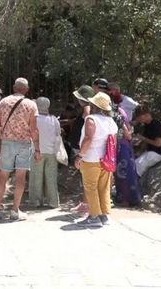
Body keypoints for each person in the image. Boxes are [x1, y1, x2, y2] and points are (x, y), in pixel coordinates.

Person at [0, 78, 39, 221]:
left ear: (14, 88)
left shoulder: (4, 102)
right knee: (20, 177)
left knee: (3, 176)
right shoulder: (31, 105)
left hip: (6, 142)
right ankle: (15, 210)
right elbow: (33, 128)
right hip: (24, 143)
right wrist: (37, 148)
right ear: (26, 89)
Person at [74, 92, 117, 228]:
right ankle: (103, 215)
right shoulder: (110, 121)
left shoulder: (91, 119)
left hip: (91, 158)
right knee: (103, 188)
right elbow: (113, 140)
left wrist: (80, 156)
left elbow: (88, 138)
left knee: (90, 187)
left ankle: (93, 216)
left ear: (94, 105)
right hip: (105, 159)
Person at [29, 97, 61, 209]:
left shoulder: (34, 119)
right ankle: (53, 201)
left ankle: (36, 201)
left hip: (36, 150)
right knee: (51, 177)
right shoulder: (54, 119)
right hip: (51, 151)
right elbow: (58, 134)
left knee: (36, 177)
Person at [70, 85, 95, 214]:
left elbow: (87, 116)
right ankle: (86, 203)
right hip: (80, 146)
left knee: (86, 177)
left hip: (82, 148)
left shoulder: (88, 109)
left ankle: (87, 204)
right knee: (85, 177)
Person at [133, 104, 161, 177]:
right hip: (152, 151)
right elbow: (146, 142)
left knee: (139, 165)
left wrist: (143, 138)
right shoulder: (147, 125)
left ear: (147, 115)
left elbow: (158, 144)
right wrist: (139, 151)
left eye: (139, 116)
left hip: (159, 152)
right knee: (135, 163)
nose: (138, 119)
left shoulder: (156, 125)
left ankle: (133, 184)